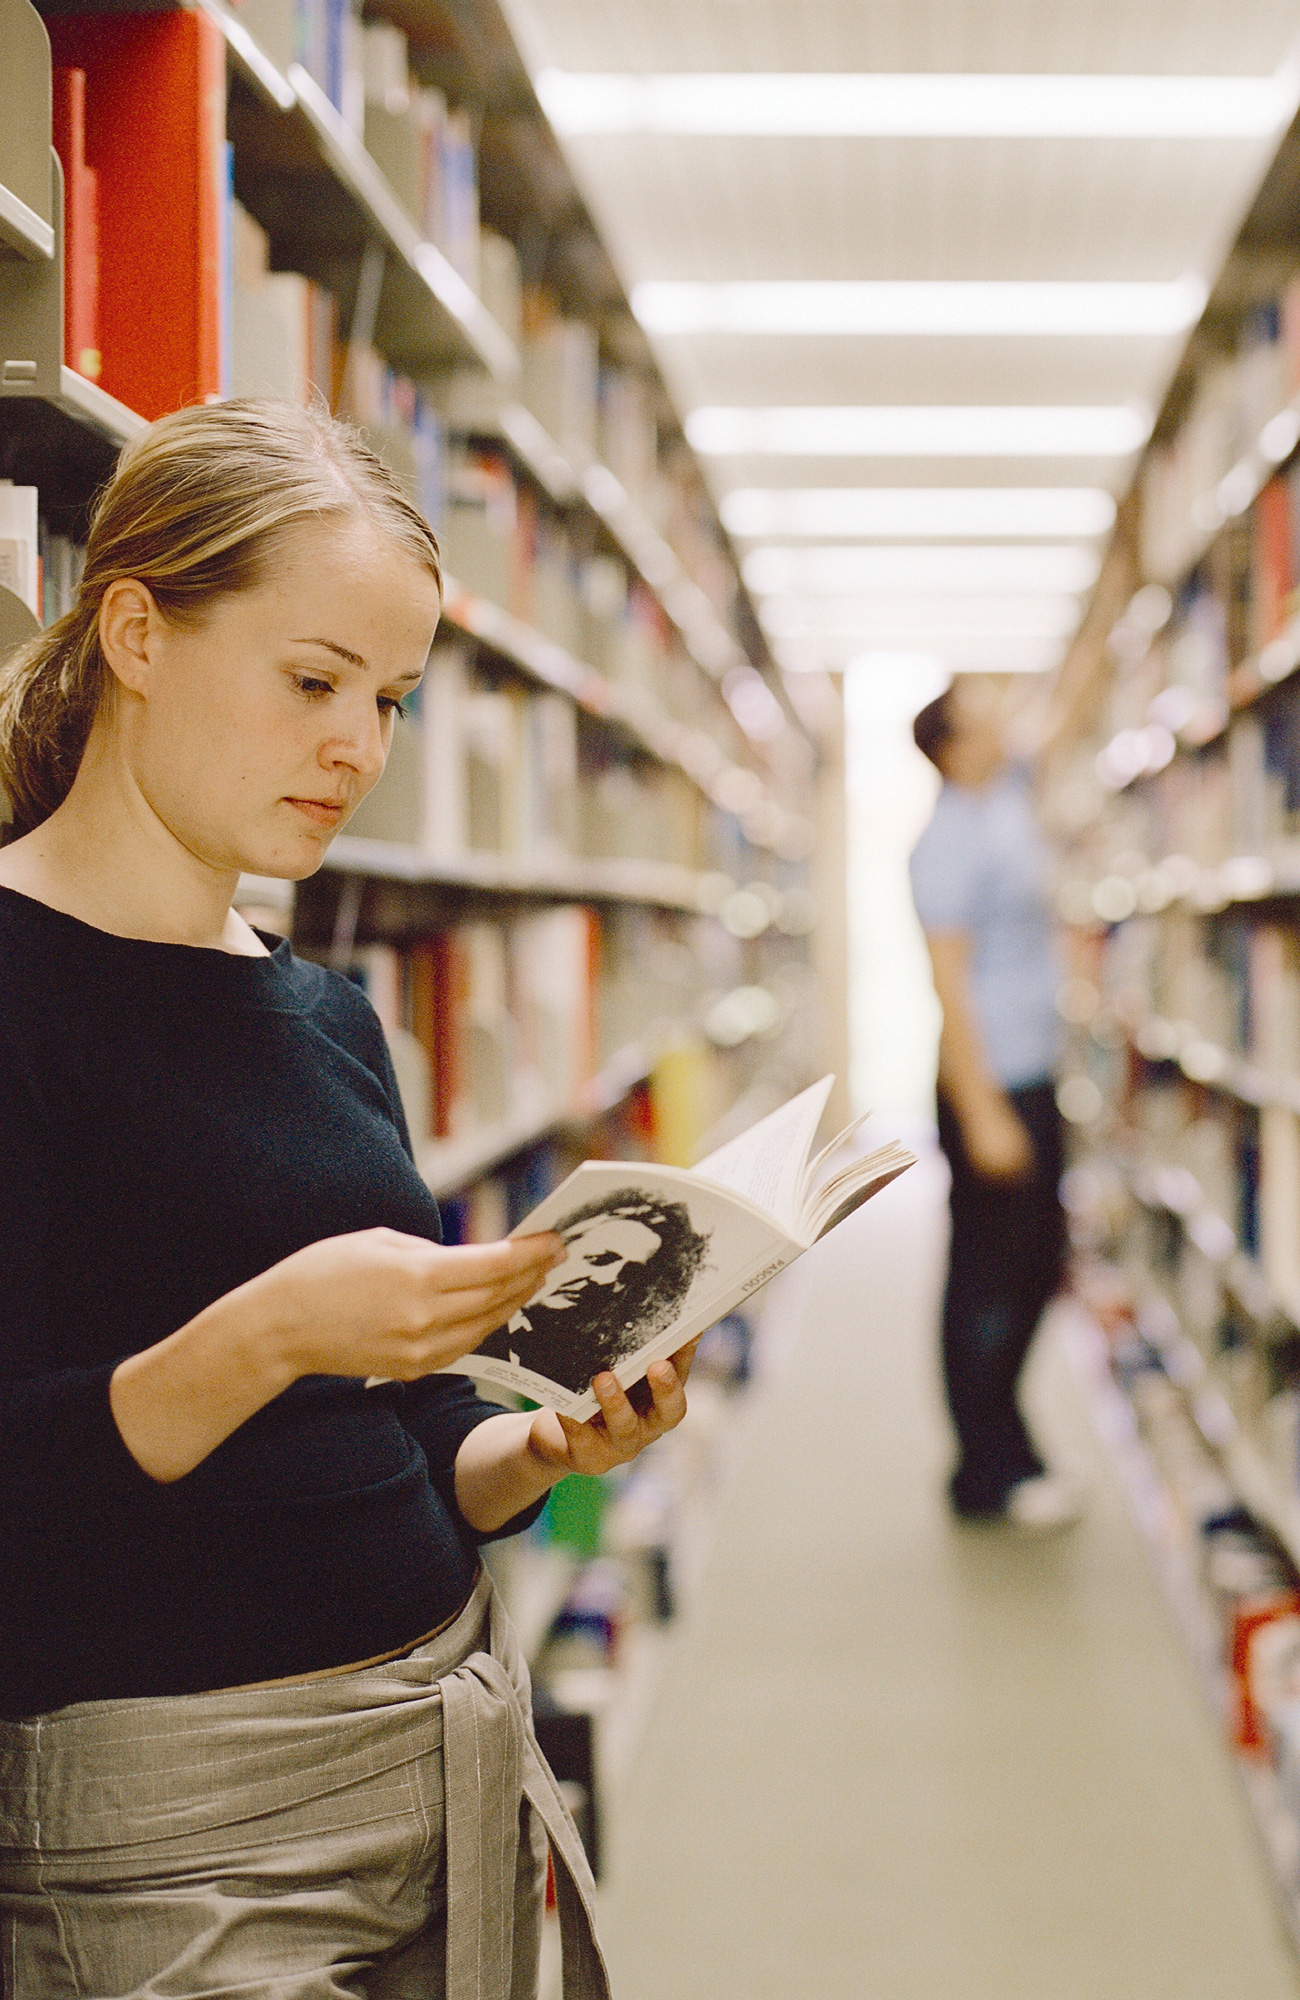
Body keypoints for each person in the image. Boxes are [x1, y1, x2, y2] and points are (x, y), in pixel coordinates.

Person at [0, 399, 700, 1999]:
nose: (360, 750)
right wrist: (263, 1338)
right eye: (313, 682)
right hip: (176, 1853)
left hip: (440, 1763)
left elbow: (405, 1435)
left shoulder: (326, 1010)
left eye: (390, 699)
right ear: (135, 633)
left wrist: (539, 1449)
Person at [909, 677, 1079, 1530]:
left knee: (1041, 1264)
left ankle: (1008, 1438)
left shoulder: (1004, 795)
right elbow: (948, 983)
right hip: (990, 1086)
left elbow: (1059, 714)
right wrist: (980, 1110)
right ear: (953, 747)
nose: (1005, 721)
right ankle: (984, 1469)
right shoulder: (944, 839)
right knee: (988, 1275)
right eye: (986, 717)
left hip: (1033, 1074)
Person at [479, 1191, 711, 1394]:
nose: (608, 1280)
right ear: (558, 1247)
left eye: (629, 1273)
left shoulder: (576, 1352)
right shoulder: (484, 1324)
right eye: (601, 1259)